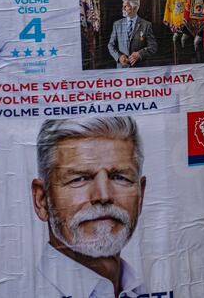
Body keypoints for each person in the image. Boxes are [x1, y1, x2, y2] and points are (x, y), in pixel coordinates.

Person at [31, 116, 147, 297]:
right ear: (42, 200)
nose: (103, 196)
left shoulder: (149, 288)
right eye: (80, 179)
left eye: (119, 177)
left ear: (141, 195)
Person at [107, 0, 158, 68]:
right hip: (122, 68)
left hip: (140, 68)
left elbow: (153, 46)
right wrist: (119, 57)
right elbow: (110, 45)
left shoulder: (146, 25)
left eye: (126, 6)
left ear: (135, 8)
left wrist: (140, 54)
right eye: (123, 6)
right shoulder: (117, 24)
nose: (123, 9)